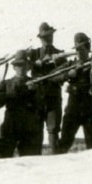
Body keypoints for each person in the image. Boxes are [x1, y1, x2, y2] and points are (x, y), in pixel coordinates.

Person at [0, 51, 45, 158]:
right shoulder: (6, 83)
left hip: (29, 125)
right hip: (11, 123)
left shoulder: (36, 83)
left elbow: (42, 104)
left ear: (28, 67)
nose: (21, 68)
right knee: (2, 155)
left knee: (31, 158)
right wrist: (11, 94)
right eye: (18, 65)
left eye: (24, 65)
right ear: (14, 67)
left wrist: (35, 91)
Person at [55, 32, 92, 151]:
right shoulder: (70, 64)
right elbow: (53, 76)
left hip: (91, 106)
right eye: (78, 49)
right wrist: (67, 75)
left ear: (88, 48)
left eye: (83, 48)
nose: (80, 52)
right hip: (73, 106)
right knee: (64, 142)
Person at [30, 23, 68, 152]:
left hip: (53, 96)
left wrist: (58, 62)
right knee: (36, 130)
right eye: (45, 37)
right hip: (36, 98)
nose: (48, 39)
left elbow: (65, 71)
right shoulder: (34, 54)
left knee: (53, 130)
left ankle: (55, 158)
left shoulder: (60, 54)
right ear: (40, 38)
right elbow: (23, 63)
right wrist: (37, 63)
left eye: (50, 36)